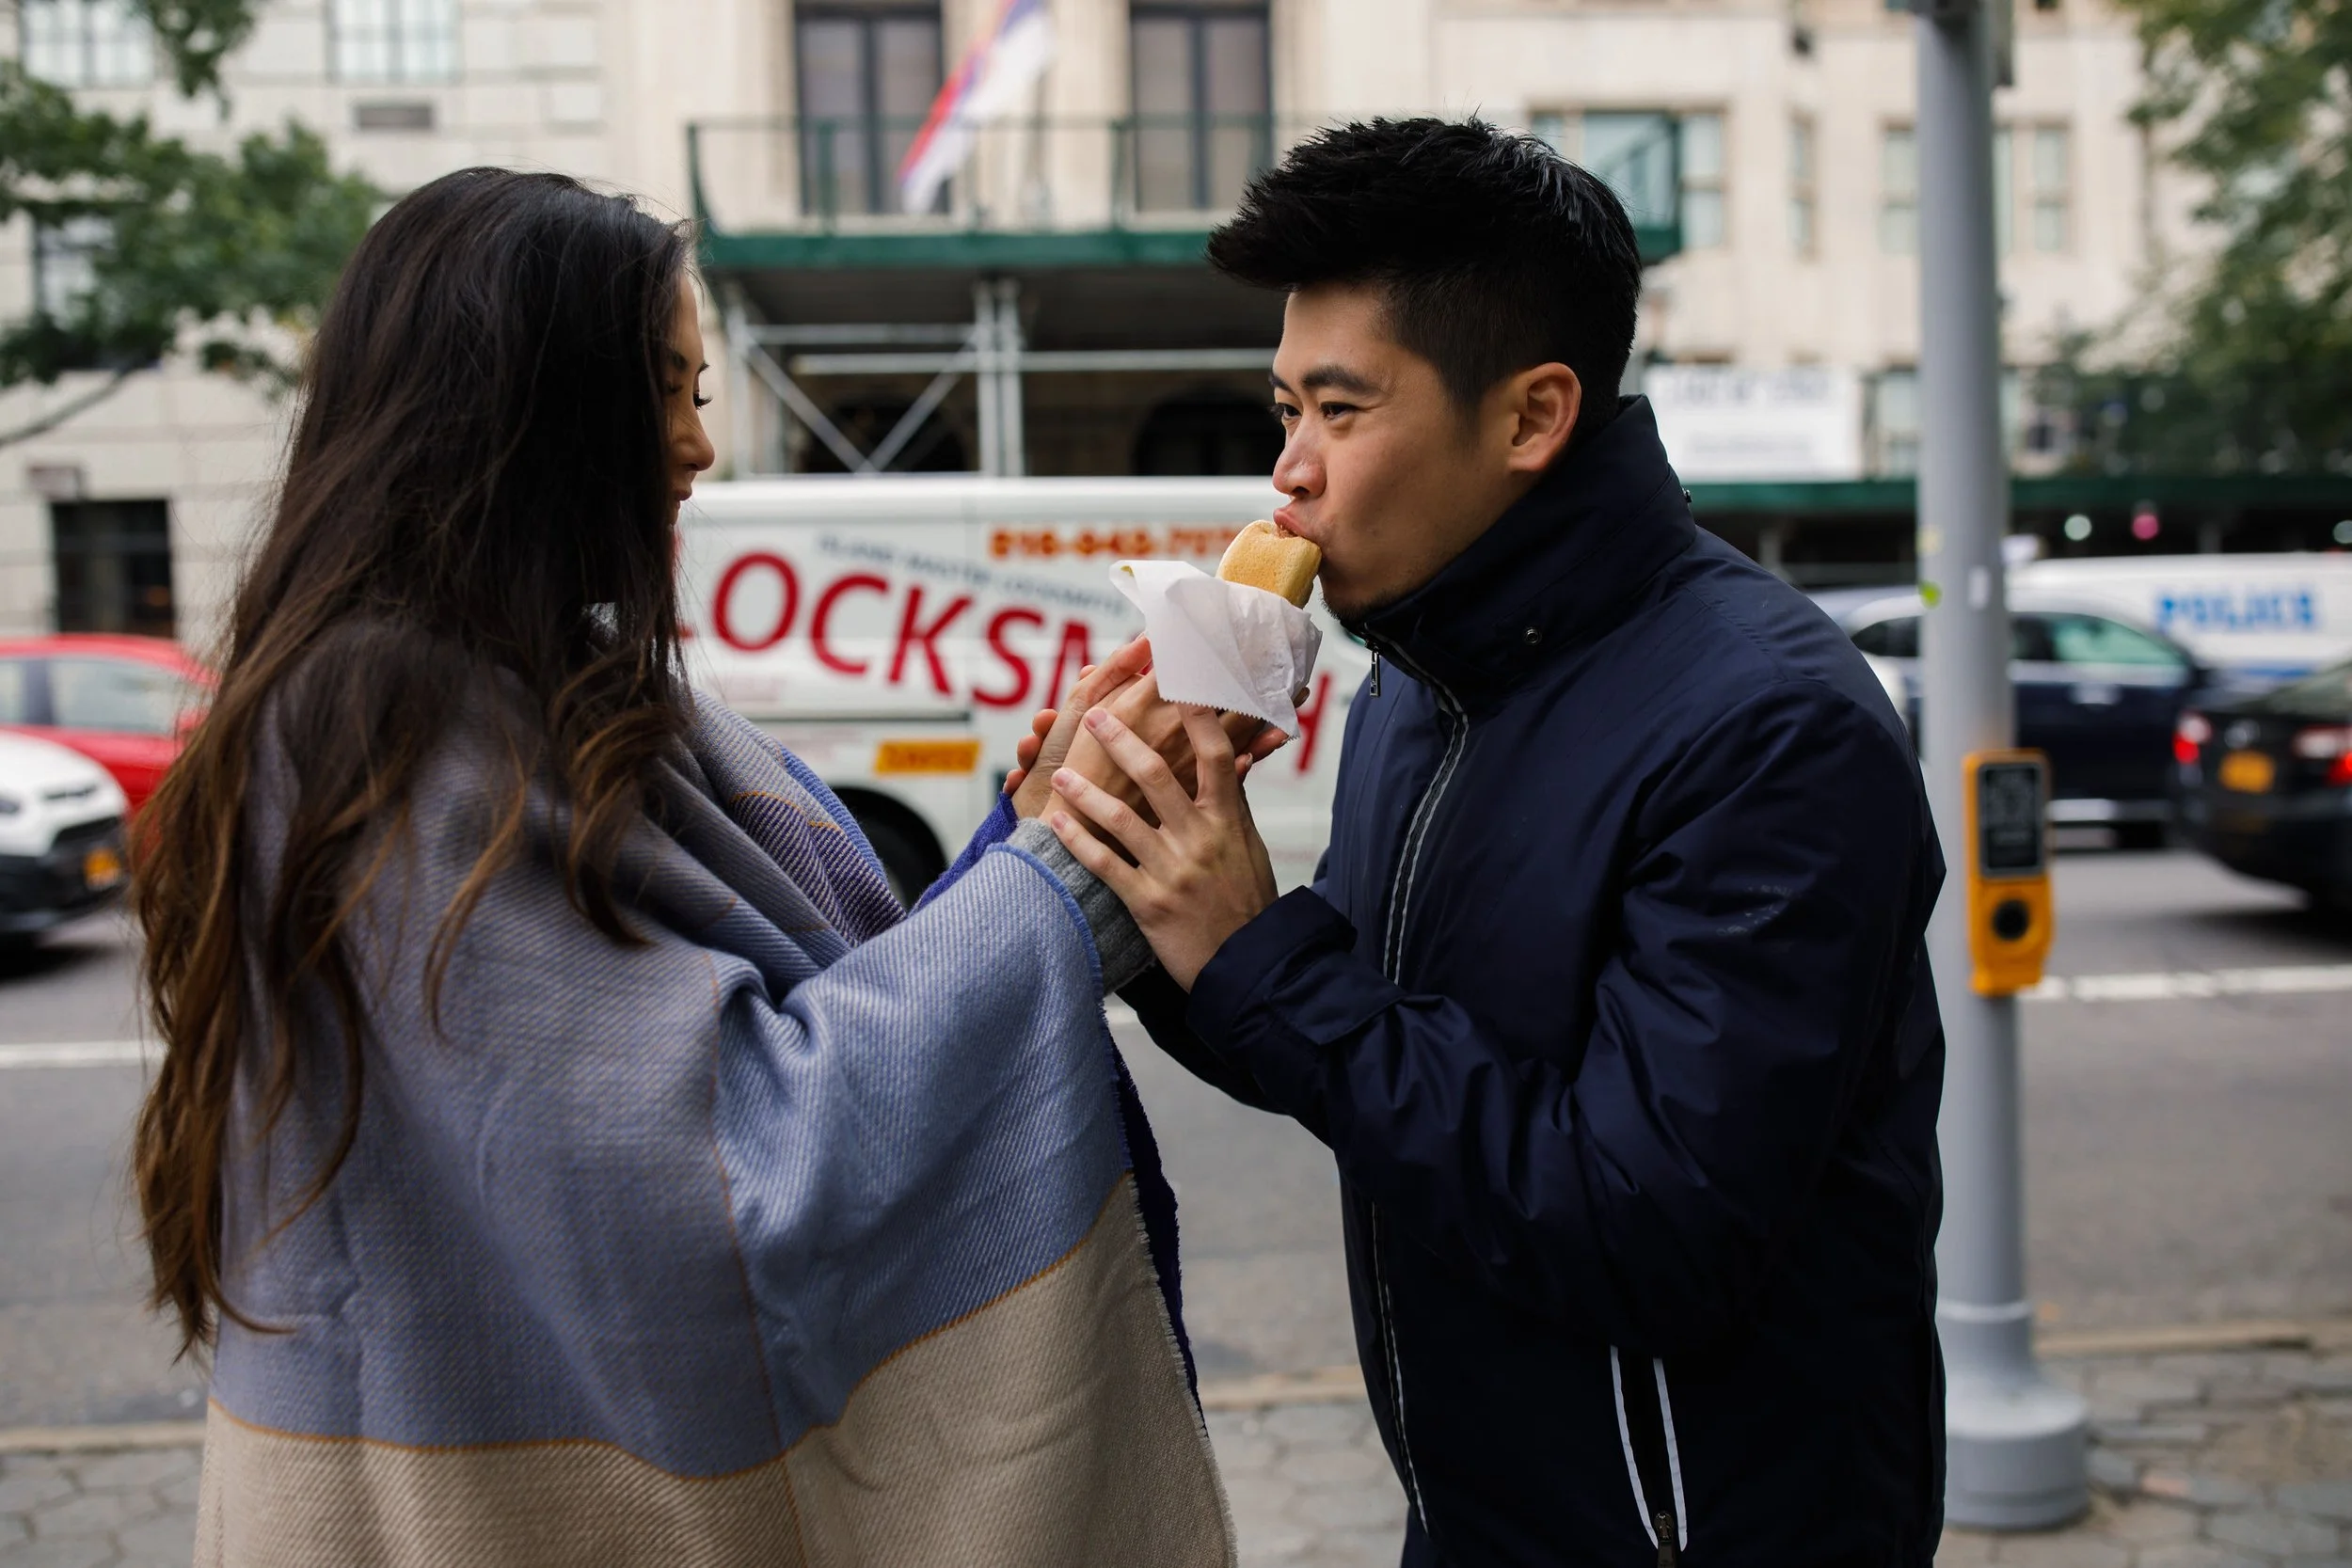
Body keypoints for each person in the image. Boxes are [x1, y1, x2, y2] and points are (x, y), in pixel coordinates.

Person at [130, 167, 1252, 1567]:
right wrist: (1077, 863)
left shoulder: (549, 681)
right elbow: (721, 1175)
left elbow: (828, 1000)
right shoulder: (385, 721)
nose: (694, 446)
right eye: (657, 390)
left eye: (702, 392)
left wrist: (1035, 817)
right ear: (521, 413)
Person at [1045, 119, 1948, 1566]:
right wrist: (1137, 875)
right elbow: (1352, 1056)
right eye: (1284, 408)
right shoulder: (1419, 684)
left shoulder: (1774, 728)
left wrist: (1263, 957)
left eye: (1341, 412)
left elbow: (1652, 1220)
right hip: (1471, 1514)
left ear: (1531, 418)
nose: (1291, 474)